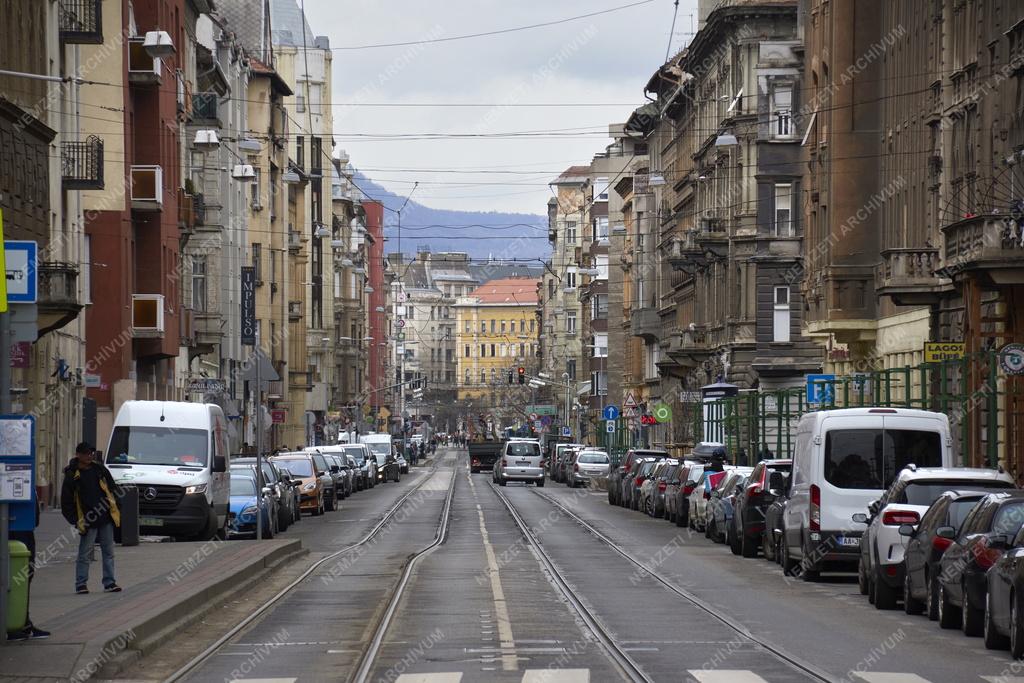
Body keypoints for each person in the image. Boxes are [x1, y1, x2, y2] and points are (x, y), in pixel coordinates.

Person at [60, 442, 122, 594]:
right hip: (87, 520)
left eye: (91, 453)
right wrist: (75, 520)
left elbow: (113, 488)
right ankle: (81, 584)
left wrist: (117, 506)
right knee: (85, 553)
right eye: (86, 453)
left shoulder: (99, 469)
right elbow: (66, 502)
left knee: (108, 552)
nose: (90, 456)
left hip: (105, 517)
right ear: (78, 455)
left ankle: (110, 582)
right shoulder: (72, 475)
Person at [6, 493, 50, 641]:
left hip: (24, 529)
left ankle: (23, 622)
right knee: (16, 578)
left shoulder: (27, 479)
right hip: (16, 531)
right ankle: (13, 625)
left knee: (24, 578)